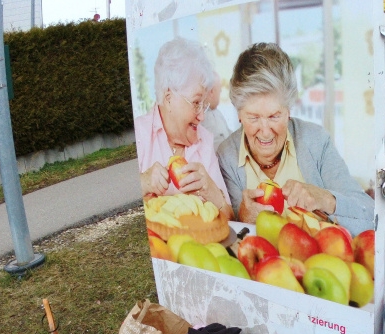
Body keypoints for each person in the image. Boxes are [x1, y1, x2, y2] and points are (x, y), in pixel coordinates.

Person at [217, 43, 372, 236]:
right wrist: (243, 218)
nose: (265, 131)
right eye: (253, 118)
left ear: (289, 110)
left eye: (274, 116)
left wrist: (324, 199)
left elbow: (370, 216)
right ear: (239, 113)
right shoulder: (226, 156)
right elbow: (229, 234)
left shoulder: (316, 141)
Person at [135, 38, 232, 219]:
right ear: (169, 98)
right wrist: (143, 182)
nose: (202, 116)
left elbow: (230, 219)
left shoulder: (204, 141)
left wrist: (212, 191)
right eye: (196, 103)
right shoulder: (139, 133)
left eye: (203, 104)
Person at [203, 72, 234, 150]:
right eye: (219, 91)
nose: (220, 94)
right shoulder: (202, 117)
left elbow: (230, 134)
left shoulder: (216, 112)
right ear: (212, 91)